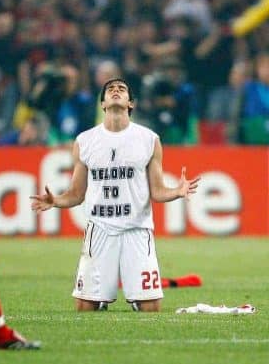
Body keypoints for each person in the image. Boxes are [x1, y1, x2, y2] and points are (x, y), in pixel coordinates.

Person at [30, 78, 200, 312]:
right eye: (110, 89)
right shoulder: (85, 141)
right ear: (102, 104)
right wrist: (56, 200)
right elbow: (77, 193)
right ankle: (99, 299)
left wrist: (177, 191)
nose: (116, 90)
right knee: (84, 307)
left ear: (131, 103)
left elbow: (157, 192)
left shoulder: (149, 139)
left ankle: (133, 298)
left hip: (137, 230)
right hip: (100, 229)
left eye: (122, 89)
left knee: (151, 308)